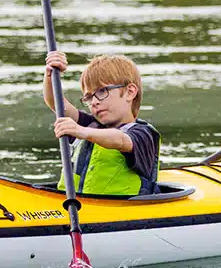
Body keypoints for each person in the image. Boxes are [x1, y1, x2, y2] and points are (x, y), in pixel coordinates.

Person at [43, 51, 160, 195]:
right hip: (73, 206)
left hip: (121, 210)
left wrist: (82, 131)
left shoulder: (143, 135)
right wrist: (50, 74)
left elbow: (121, 140)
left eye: (102, 91)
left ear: (130, 92)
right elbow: (56, 103)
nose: (94, 102)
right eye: (89, 97)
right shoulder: (90, 124)